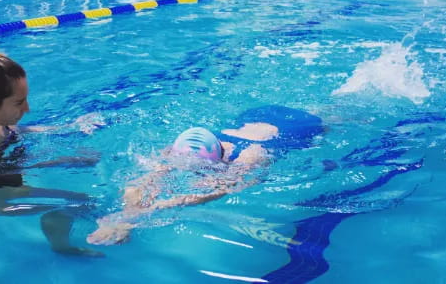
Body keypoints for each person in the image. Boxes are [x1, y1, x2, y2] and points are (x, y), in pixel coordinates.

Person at [87, 105, 325, 245]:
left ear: (219, 159)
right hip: (254, 115)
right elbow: (147, 178)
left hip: (299, 128)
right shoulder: (185, 146)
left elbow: (219, 190)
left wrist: (141, 215)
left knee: (332, 113)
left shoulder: (251, 156)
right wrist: (125, 214)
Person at [0, 40, 101, 257]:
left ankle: (57, 226)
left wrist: (70, 128)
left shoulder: (1, 118)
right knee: (77, 203)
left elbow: (23, 133)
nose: (27, 108)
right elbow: (3, 167)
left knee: (85, 201)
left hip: (9, 183)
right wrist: (61, 161)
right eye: (19, 103)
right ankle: (62, 246)